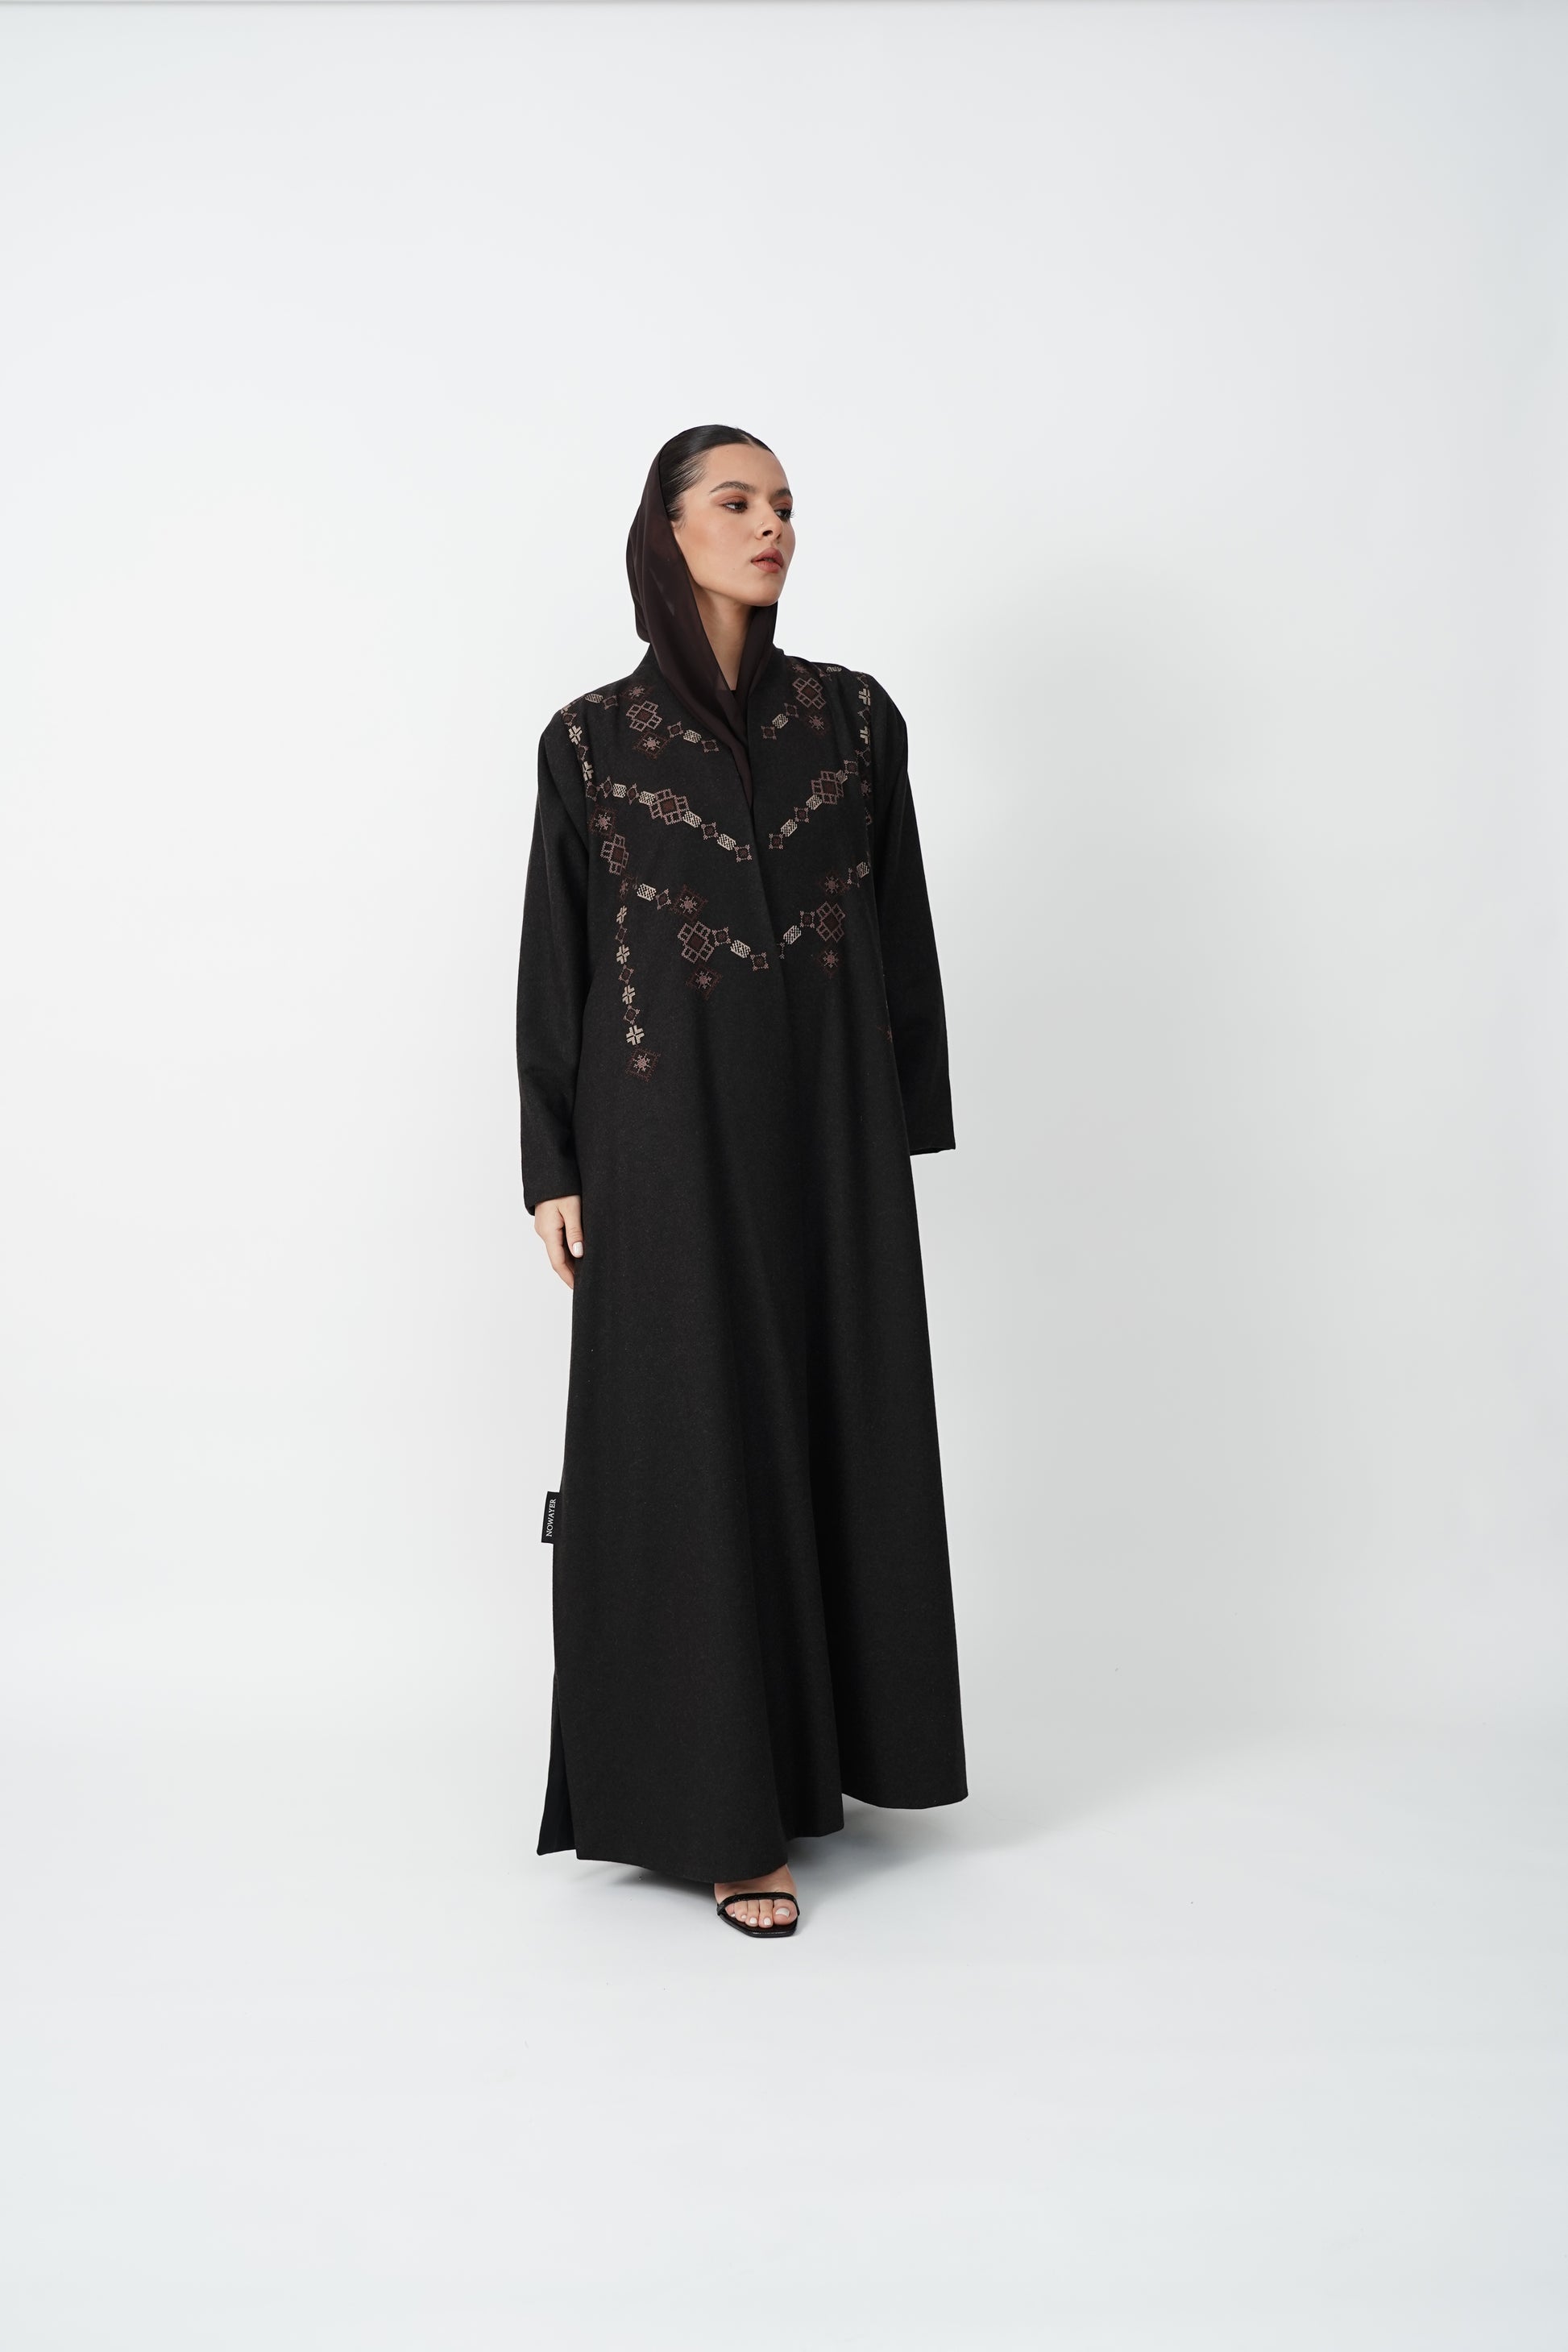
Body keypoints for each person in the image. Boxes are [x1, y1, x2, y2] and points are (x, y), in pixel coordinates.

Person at [516, 425, 966, 1937]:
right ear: (669, 531)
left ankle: (834, 1754)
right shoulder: (590, 742)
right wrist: (552, 1162)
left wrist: (902, 1122)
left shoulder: (854, 720)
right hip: (661, 1134)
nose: (770, 524)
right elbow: (557, 960)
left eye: (782, 505)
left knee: (839, 1413)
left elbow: (898, 926)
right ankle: (721, 1813)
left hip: (828, 1133)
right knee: (688, 1437)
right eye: (736, 501)